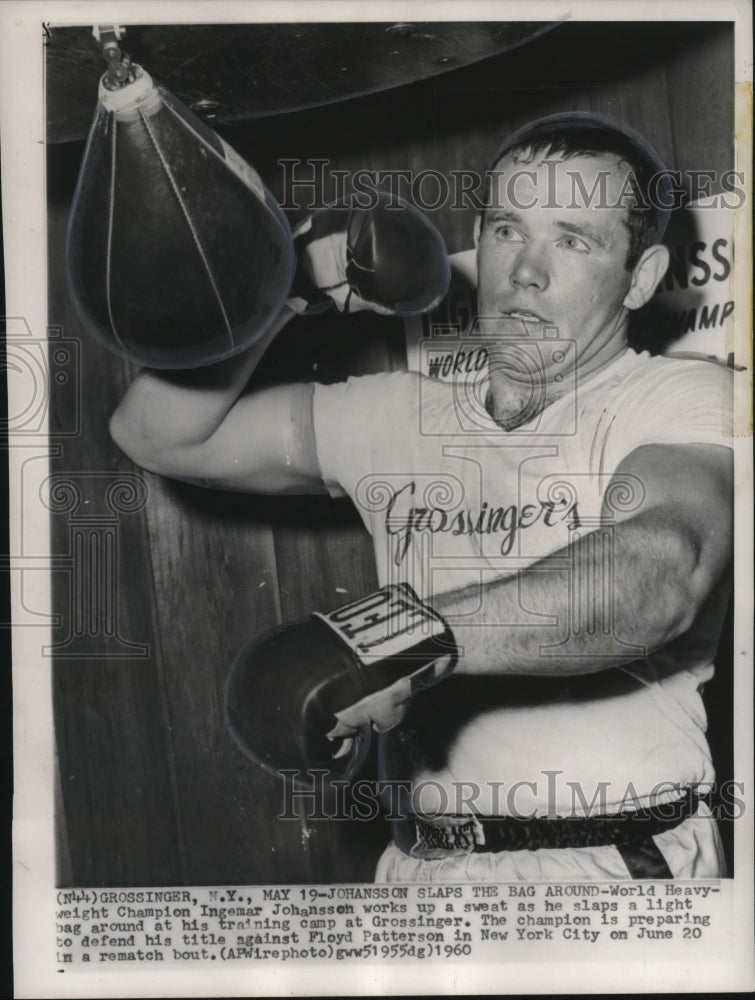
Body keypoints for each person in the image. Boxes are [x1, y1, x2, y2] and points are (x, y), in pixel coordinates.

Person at [109, 112, 734, 882]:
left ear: (639, 276)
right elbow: (160, 436)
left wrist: (395, 642)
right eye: (507, 230)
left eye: (572, 240)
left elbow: (658, 572)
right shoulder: (402, 416)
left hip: (604, 862)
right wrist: (283, 293)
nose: (525, 273)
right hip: (420, 866)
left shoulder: (683, 398)